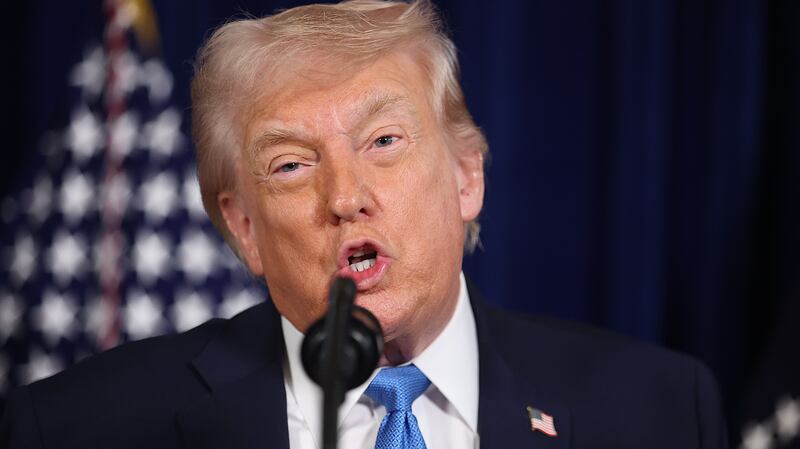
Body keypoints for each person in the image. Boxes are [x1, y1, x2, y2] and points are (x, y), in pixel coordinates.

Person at [0, 1, 727, 448]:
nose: (345, 197)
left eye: (383, 140)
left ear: (466, 177)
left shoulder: (661, 412)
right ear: (244, 227)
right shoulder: (76, 428)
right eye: (291, 164)